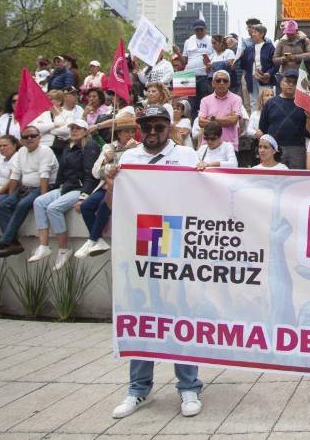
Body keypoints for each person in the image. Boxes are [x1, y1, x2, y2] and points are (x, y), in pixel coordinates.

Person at [109, 105, 202, 420]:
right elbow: (114, 205)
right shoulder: (128, 158)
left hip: (177, 239)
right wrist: (111, 184)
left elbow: (204, 199)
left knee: (180, 313)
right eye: (145, 126)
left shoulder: (189, 157)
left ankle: (189, 385)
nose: (151, 132)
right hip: (141, 242)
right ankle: (138, 389)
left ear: (169, 127)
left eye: (158, 126)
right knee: (143, 313)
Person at [27, 119, 100, 269]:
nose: (73, 130)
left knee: (53, 208)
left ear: (86, 131)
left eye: (78, 128)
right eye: (72, 128)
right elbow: (62, 170)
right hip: (67, 187)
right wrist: (56, 186)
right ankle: (44, 246)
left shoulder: (91, 147)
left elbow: (90, 176)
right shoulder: (69, 146)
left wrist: (83, 197)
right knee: (39, 202)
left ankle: (63, 250)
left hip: (80, 189)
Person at [0, 124, 58, 259]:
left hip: (43, 187)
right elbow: (15, 175)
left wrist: (43, 198)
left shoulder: (45, 150)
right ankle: (13, 243)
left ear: (39, 137)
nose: (30, 138)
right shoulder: (21, 152)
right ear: (22, 140)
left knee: (22, 205)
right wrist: (11, 195)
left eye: (33, 136)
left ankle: (4, 242)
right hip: (24, 188)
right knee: (3, 205)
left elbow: (44, 176)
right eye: (26, 137)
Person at [75, 110, 139, 259]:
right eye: (125, 132)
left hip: (125, 189)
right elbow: (96, 172)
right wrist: (106, 161)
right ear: (118, 134)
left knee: (105, 205)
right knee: (86, 206)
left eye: (131, 131)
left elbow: (129, 170)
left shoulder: (138, 148)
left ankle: (91, 240)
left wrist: (126, 153)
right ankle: (98, 240)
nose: (129, 135)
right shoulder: (108, 148)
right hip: (106, 186)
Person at [258, 69, 310, 169]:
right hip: (274, 148)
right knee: (274, 180)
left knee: (297, 181)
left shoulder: (303, 104)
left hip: (297, 149)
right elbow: (262, 128)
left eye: (294, 83)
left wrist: (309, 117)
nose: (290, 85)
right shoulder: (270, 103)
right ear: (281, 83)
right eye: (287, 81)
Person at [198, 70, 244, 152]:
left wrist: (211, 119)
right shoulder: (205, 100)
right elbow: (201, 123)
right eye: (218, 80)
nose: (221, 83)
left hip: (230, 146)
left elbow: (233, 120)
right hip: (208, 146)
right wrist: (226, 119)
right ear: (213, 83)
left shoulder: (236, 99)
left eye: (225, 81)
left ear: (229, 83)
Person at [240, 24, 276, 113]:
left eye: (255, 32)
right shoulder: (249, 48)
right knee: (253, 102)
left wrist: (268, 74)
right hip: (251, 78)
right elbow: (243, 66)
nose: (252, 34)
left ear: (262, 34)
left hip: (265, 78)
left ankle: (266, 122)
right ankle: (255, 122)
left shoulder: (270, 47)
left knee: (267, 100)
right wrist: (241, 56)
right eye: (252, 32)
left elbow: (275, 64)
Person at [182, 18, 215, 111]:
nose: (199, 31)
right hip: (190, 76)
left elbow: (216, 56)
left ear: (205, 29)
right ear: (194, 30)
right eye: (197, 30)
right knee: (191, 103)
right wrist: (178, 53)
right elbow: (184, 61)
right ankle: (193, 123)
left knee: (205, 102)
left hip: (205, 76)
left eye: (201, 29)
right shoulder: (188, 41)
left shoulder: (211, 40)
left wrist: (210, 64)